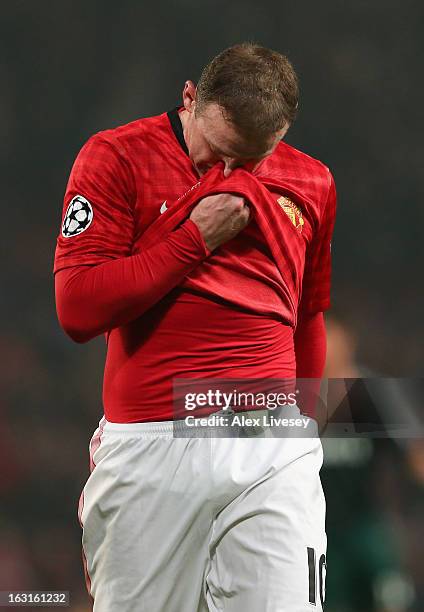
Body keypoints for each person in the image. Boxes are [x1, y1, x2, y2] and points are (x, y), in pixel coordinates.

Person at [54, 43, 336, 611]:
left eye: (249, 160)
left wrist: (301, 423)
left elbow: (307, 318)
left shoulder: (313, 183)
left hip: (270, 445)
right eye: (217, 152)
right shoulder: (117, 156)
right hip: (153, 442)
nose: (228, 176)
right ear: (189, 99)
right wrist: (193, 241)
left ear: (280, 137)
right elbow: (77, 310)